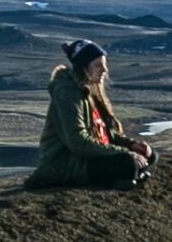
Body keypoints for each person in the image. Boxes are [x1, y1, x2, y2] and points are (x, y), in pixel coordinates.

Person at [29, 40, 154, 190]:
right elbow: (78, 142)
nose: (104, 70)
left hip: (89, 157)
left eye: (104, 65)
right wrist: (125, 153)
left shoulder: (90, 91)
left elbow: (107, 135)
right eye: (98, 65)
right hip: (67, 164)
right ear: (83, 67)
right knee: (128, 163)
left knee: (150, 155)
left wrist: (132, 145)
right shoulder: (68, 94)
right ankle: (124, 177)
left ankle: (126, 177)